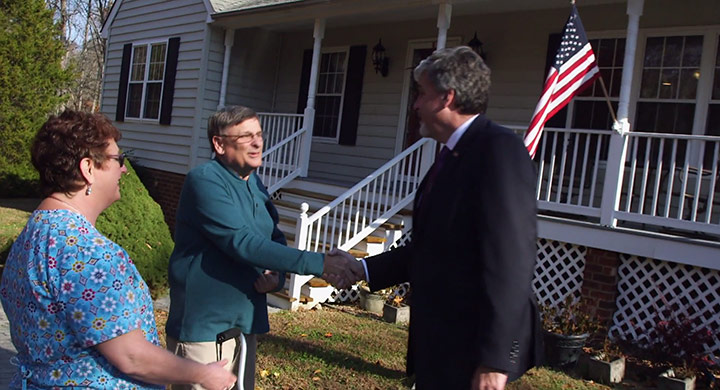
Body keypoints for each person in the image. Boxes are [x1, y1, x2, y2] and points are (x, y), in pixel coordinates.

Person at [333, 46, 543, 390]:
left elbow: (511, 261)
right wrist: (364, 269)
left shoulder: (498, 150)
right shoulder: (448, 158)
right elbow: (432, 248)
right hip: (441, 346)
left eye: (421, 94)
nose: (414, 105)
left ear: (447, 98)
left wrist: (494, 360)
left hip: (470, 351)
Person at [0, 110, 237, 390]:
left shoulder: (33, 233)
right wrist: (203, 374)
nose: (124, 169)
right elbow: (132, 357)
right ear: (88, 169)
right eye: (118, 160)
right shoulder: (87, 252)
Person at [165, 105, 355, 390]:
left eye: (259, 134)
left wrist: (276, 276)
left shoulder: (253, 182)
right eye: (245, 136)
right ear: (219, 143)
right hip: (204, 329)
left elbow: (272, 236)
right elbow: (241, 242)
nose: (257, 143)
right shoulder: (204, 181)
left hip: (244, 321)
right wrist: (321, 264)